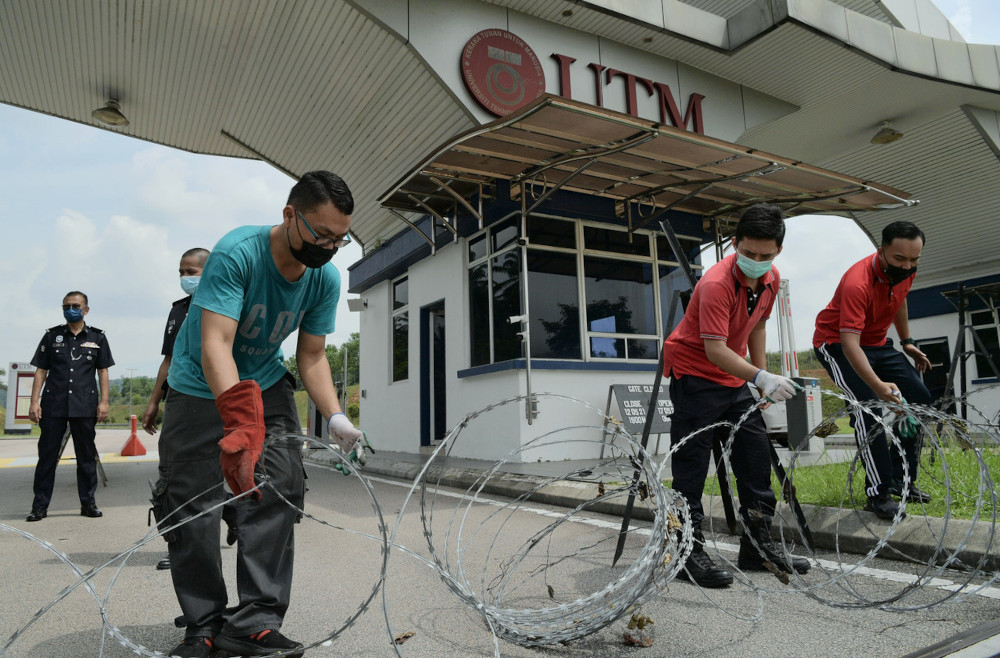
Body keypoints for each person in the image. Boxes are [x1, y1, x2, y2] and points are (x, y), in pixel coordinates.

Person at [155, 171, 364, 658]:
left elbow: (310, 356)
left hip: (266, 381)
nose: (329, 248)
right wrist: (240, 421)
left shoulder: (323, 277)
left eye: (340, 238)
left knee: (279, 490)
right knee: (192, 507)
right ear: (290, 215)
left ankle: (254, 623)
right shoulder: (238, 253)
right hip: (199, 385)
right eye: (321, 234)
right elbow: (216, 345)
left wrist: (335, 417)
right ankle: (202, 624)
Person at [663, 203, 810, 588]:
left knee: (755, 457)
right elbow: (714, 350)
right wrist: (760, 375)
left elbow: (758, 327)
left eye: (766, 255)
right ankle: (686, 552)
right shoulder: (715, 284)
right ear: (734, 244)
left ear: (778, 250)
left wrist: (763, 381)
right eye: (748, 253)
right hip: (695, 375)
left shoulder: (771, 278)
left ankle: (758, 547)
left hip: (734, 378)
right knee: (692, 468)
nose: (757, 261)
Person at [813, 221, 932, 520]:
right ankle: (878, 494)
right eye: (899, 259)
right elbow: (850, 344)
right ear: (881, 252)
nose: (907, 266)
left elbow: (899, 300)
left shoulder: (906, 269)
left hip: (878, 343)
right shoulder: (858, 282)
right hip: (838, 345)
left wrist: (907, 342)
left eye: (914, 260)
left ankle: (900, 478)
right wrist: (878, 384)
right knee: (869, 411)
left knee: (919, 399)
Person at [144, 248, 238, 572]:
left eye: (192, 271)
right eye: (181, 272)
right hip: (182, 402)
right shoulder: (178, 311)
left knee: (210, 475)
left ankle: (227, 515)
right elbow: (168, 360)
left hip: (218, 399)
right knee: (177, 479)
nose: (186, 278)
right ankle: (182, 543)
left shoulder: (229, 304)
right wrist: (155, 401)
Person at [26, 291, 114, 521]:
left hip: (84, 405)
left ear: (86, 309)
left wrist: (104, 401)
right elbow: (41, 371)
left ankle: (88, 504)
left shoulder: (98, 338)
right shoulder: (51, 337)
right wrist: (34, 402)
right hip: (53, 405)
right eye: (66, 306)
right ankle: (39, 507)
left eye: (76, 305)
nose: (70, 309)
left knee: (85, 458)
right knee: (46, 457)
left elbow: (103, 371)